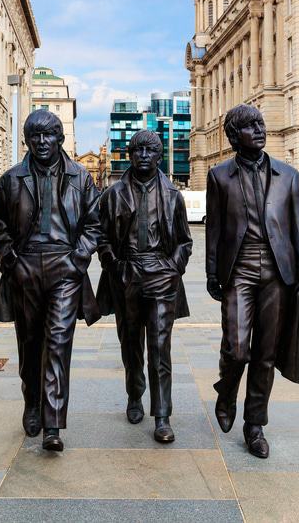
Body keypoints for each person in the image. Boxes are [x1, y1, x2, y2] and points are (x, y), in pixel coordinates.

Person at [206, 104, 299, 459]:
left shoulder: (289, 176)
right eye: (250, 126)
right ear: (235, 137)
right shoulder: (219, 176)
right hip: (239, 269)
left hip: (279, 273)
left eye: (260, 123)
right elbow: (215, 232)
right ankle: (226, 389)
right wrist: (211, 274)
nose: (259, 129)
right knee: (237, 348)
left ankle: (255, 424)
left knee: (265, 354)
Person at [0, 110, 102, 453]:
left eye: (48, 135)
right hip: (26, 267)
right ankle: (33, 403)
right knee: (30, 344)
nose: (41, 142)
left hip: (65, 268)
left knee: (57, 343)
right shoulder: (11, 179)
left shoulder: (81, 178)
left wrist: (78, 259)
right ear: (26, 140)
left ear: (60, 139)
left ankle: (53, 423)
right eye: (34, 136)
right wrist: (12, 261)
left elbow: (94, 224)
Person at [96, 130, 192, 444]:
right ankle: (135, 393)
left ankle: (162, 415)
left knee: (161, 348)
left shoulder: (173, 195)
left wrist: (173, 268)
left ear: (159, 156)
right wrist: (114, 264)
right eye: (138, 151)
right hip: (126, 272)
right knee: (131, 343)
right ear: (130, 155)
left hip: (161, 274)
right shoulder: (112, 194)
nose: (144, 156)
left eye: (150, 151)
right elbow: (102, 236)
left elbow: (184, 241)